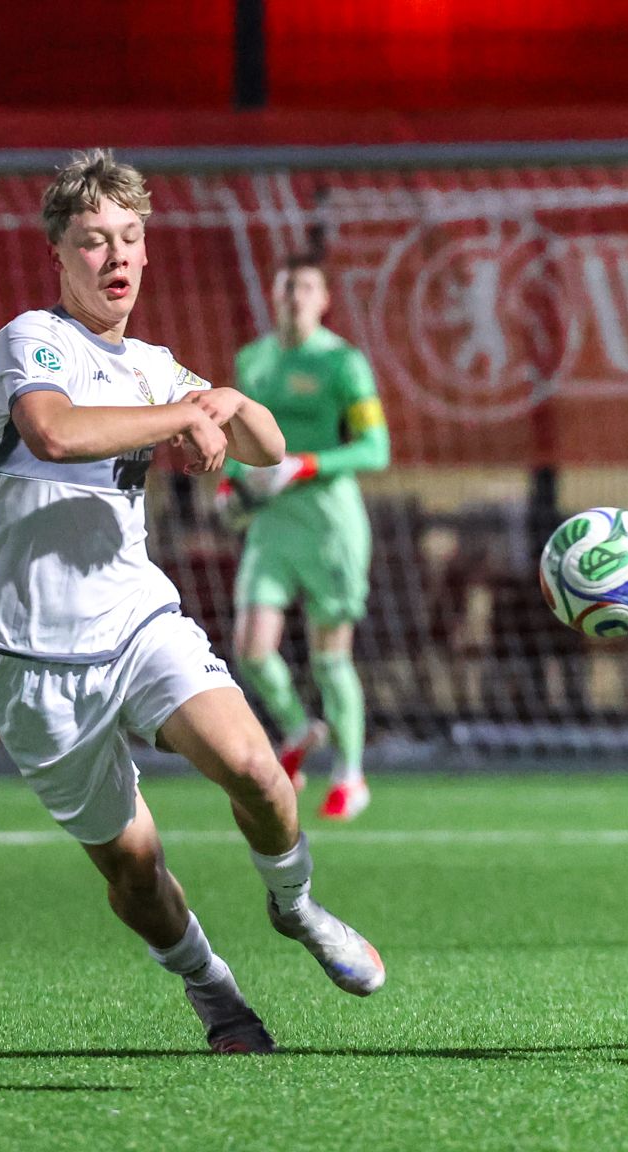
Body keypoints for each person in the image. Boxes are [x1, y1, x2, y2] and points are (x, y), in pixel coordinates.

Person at [0, 150, 385, 1055]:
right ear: (60, 256)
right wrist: (181, 418)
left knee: (260, 773)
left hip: (136, 621)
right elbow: (57, 430)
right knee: (136, 871)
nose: (114, 255)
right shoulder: (30, 339)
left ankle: (297, 905)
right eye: (92, 241)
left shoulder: (154, 364)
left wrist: (227, 401)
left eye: (129, 237)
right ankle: (211, 987)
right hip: (29, 658)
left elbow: (265, 447)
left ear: (145, 252)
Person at [215, 252, 390, 820]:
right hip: (271, 525)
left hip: (329, 525)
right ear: (273, 294)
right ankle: (296, 729)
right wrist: (231, 486)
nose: (295, 298)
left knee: (330, 658)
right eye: (287, 287)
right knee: (251, 648)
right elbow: (242, 445)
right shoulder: (254, 360)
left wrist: (304, 464)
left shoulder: (344, 363)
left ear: (324, 299)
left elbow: (375, 449)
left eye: (307, 288)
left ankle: (350, 775)